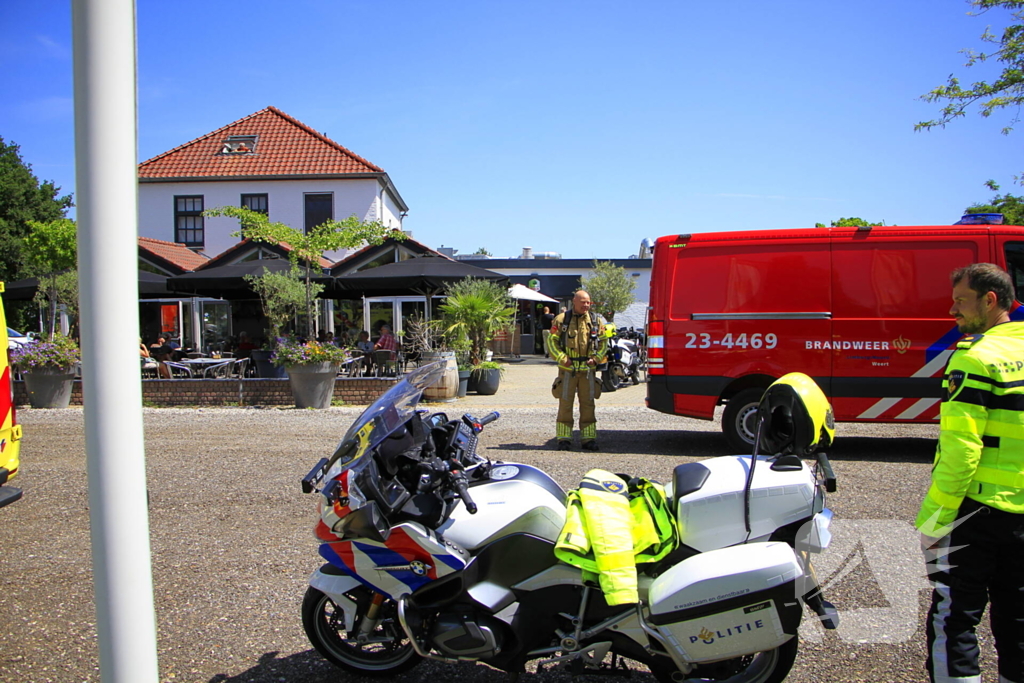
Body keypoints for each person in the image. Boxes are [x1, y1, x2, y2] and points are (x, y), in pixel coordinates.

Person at [917, 263, 1024, 683]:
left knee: (954, 620)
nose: (952, 310)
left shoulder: (974, 357)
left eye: (961, 300)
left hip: (976, 515)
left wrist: (935, 520)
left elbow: (961, 453)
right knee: (1017, 624)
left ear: (990, 299)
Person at [547, 290, 612, 451]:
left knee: (588, 405)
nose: (586, 305)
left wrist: (596, 359)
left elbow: (604, 343)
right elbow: (551, 342)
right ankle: (564, 439)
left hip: (588, 371)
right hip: (567, 371)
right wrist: (563, 359)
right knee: (565, 405)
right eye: (583, 302)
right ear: (574, 301)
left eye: (588, 302)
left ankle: (588, 439)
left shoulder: (596, 321)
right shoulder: (561, 320)